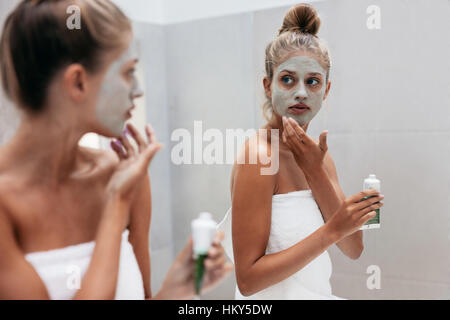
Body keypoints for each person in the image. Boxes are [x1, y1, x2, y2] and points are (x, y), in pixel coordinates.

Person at [0, 0, 232, 300]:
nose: (137, 90)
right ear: (78, 82)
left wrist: (175, 289)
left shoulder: (122, 175)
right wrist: (115, 204)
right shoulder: (8, 202)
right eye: (128, 72)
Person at [218, 3, 384, 299]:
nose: (301, 92)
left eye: (312, 82)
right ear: (268, 86)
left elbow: (353, 248)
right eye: (287, 79)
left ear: (326, 90)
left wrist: (314, 169)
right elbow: (248, 280)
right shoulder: (258, 157)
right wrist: (331, 231)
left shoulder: (319, 158)